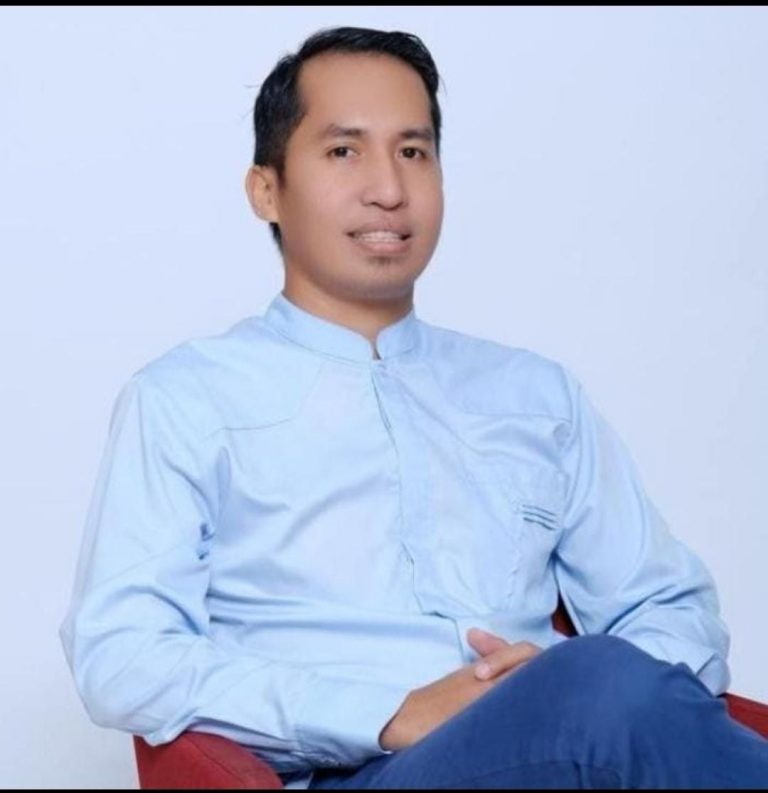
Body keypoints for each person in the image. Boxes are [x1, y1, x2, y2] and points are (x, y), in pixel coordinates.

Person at [60, 25, 768, 789]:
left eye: (413, 151)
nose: (389, 189)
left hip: (565, 744)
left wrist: (543, 686)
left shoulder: (536, 394)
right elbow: (122, 655)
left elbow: (671, 609)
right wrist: (391, 710)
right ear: (267, 189)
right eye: (344, 151)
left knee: (598, 681)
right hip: (362, 772)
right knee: (597, 683)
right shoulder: (185, 398)